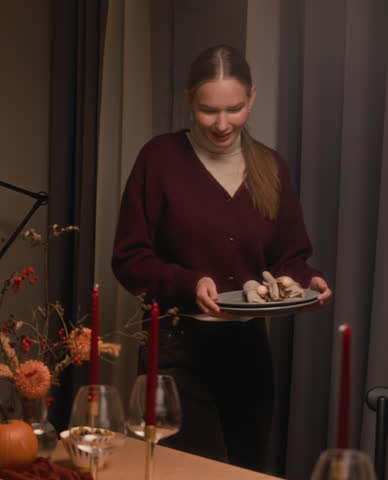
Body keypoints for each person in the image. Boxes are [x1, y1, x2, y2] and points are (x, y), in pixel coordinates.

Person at [111, 44, 333, 471]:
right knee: (192, 472)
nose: (222, 123)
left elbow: (290, 256)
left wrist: (309, 281)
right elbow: (128, 258)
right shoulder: (159, 159)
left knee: (248, 469)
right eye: (209, 110)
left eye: (234, 108)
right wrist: (187, 283)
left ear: (252, 97)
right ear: (189, 100)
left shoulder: (272, 166)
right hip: (177, 349)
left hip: (248, 350)